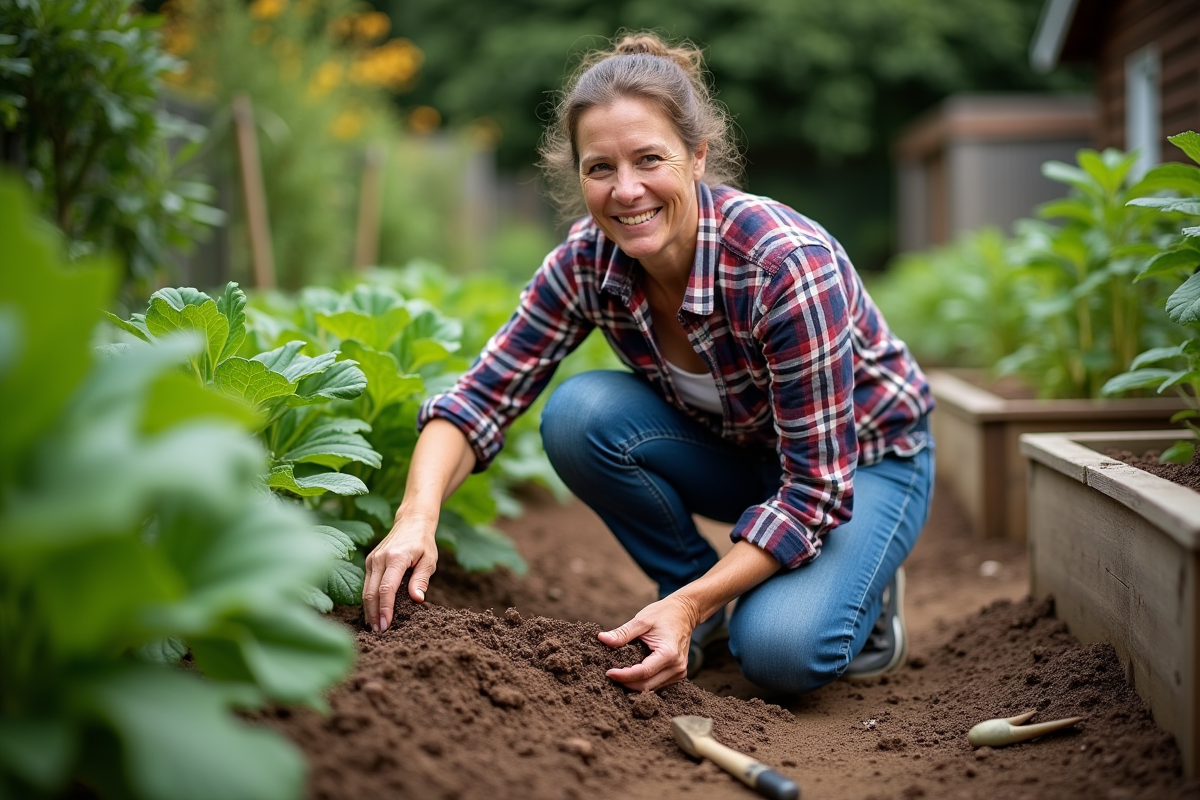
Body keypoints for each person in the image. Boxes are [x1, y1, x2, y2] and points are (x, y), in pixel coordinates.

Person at [361, 31, 935, 695]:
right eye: (599, 168)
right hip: (743, 454)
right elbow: (480, 398)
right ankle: (690, 592)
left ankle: (853, 580)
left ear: (696, 156)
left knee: (782, 654)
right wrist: (415, 521)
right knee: (580, 415)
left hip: (860, 466)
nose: (626, 190)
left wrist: (697, 601)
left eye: (649, 159)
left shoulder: (783, 267)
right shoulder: (586, 262)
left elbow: (813, 493)